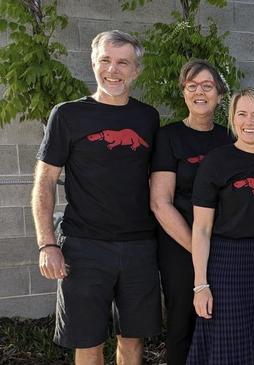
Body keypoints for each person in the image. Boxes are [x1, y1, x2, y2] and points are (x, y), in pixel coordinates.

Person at [32, 30, 161, 364]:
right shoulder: (67, 115)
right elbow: (45, 181)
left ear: (136, 70)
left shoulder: (148, 118)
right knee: (87, 342)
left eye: (123, 62)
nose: (113, 70)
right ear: (93, 63)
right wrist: (47, 244)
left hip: (139, 248)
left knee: (132, 341)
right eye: (106, 60)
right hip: (84, 247)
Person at [188, 88, 254, 364]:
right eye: (242, 114)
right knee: (229, 342)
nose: (249, 122)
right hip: (226, 262)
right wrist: (201, 285)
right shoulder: (216, 162)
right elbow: (201, 229)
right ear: (233, 119)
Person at [149, 60, 231, 365]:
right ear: (183, 92)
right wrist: (198, 249)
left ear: (219, 95)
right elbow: (160, 202)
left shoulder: (229, 138)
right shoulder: (168, 137)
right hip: (179, 246)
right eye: (192, 86)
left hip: (223, 245)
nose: (200, 92)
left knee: (220, 322)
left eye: (207, 86)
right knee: (183, 323)